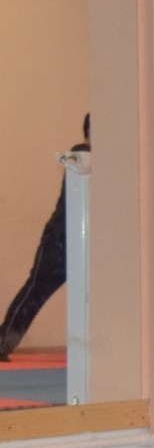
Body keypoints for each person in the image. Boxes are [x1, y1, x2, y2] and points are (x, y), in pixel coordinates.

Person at [0, 114, 90, 361]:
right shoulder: (80, 155)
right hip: (60, 238)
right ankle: (3, 341)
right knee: (36, 290)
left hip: (85, 238)